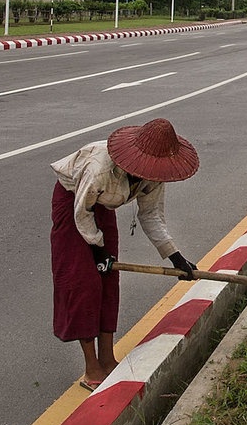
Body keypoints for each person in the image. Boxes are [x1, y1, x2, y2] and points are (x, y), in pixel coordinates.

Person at [50, 117, 199, 390]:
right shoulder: (99, 168)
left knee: (109, 279)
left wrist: (176, 257)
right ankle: (92, 368)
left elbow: (152, 215)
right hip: (75, 203)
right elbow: (82, 213)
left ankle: (108, 359)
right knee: (83, 282)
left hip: (103, 207)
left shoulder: (154, 176)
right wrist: (97, 250)